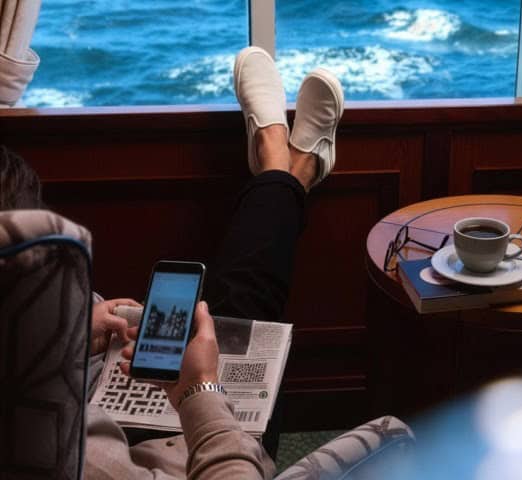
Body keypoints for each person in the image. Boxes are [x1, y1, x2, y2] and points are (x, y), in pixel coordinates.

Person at [1, 45, 344, 479]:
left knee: (213, 316)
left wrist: (69, 335)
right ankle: (289, 168)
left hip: (93, 404)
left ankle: (280, 166)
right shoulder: (72, 463)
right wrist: (200, 390)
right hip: (178, 453)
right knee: (242, 304)